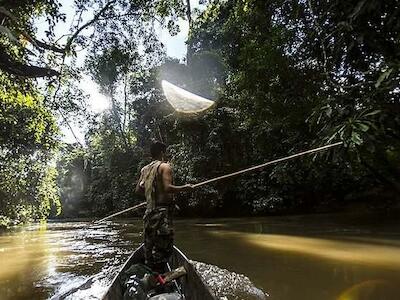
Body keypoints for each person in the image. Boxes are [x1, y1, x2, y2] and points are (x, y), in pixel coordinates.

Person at [135, 141, 192, 273]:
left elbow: (138, 190)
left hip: (149, 213)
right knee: (164, 248)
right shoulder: (165, 167)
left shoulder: (145, 169)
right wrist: (185, 188)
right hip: (162, 214)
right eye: (165, 152)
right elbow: (167, 188)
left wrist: (151, 195)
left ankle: (150, 273)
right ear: (162, 153)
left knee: (149, 246)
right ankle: (160, 278)